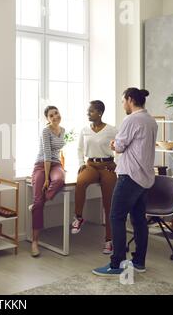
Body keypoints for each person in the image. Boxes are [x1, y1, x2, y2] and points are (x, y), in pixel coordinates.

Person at [93, 88, 157, 276]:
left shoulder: (131, 120)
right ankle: (138, 262)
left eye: (123, 101)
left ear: (130, 100)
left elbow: (120, 146)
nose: (122, 105)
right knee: (138, 220)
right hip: (144, 177)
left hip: (129, 176)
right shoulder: (151, 121)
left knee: (116, 217)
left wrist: (113, 144)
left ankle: (116, 264)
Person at [72, 101, 118, 255]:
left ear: (99, 112)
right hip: (91, 164)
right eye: (88, 111)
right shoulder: (85, 130)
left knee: (108, 202)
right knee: (81, 181)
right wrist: (80, 163)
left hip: (107, 166)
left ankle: (109, 240)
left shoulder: (112, 130)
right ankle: (79, 217)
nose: (88, 113)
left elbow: (122, 147)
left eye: (90, 111)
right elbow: (79, 149)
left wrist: (116, 163)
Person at [29, 106, 66, 258]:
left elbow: (57, 153)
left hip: (56, 165)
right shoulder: (45, 131)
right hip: (41, 165)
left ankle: (38, 202)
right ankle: (35, 242)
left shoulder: (62, 130)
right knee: (39, 203)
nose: (55, 116)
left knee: (59, 180)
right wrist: (45, 179)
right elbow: (47, 154)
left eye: (56, 113)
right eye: (51, 115)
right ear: (47, 119)